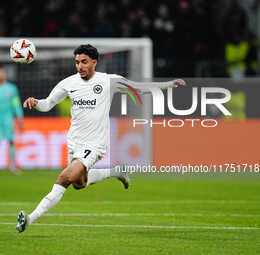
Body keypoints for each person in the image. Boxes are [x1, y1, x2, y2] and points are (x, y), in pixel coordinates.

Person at [16, 44, 185, 232]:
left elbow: (139, 87)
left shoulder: (108, 81)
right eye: (77, 62)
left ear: (94, 62)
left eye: (84, 62)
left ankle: (30, 219)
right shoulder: (68, 83)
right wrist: (35, 102)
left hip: (95, 144)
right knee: (79, 183)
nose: (80, 66)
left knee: (64, 178)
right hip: (74, 142)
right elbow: (47, 104)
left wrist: (167, 85)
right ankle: (115, 172)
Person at [0, 67, 24, 174]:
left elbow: (16, 103)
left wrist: (19, 117)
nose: (0, 75)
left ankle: (12, 166)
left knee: (11, 141)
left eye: (2, 73)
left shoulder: (12, 89)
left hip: (8, 119)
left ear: (5, 75)